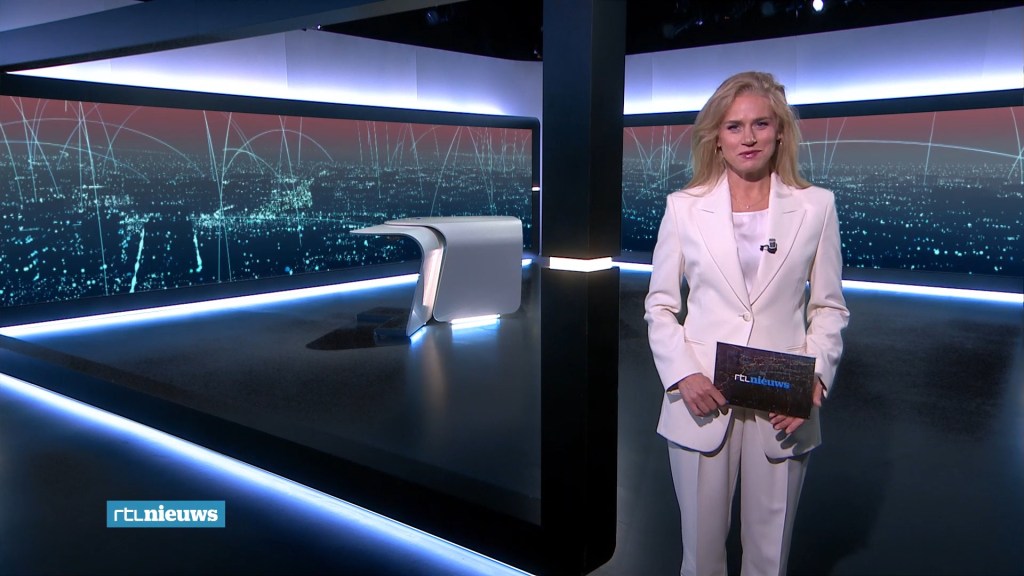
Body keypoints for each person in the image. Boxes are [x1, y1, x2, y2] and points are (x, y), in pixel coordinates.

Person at [644, 71, 850, 576]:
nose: (749, 137)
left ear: (780, 132)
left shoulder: (817, 206)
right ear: (716, 137)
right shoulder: (684, 208)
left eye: (761, 123)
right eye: (734, 126)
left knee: (769, 558)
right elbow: (660, 306)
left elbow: (829, 307)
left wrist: (815, 379)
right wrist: (682, 374)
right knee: (700, 559)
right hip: (702, 396)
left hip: (783, 402)